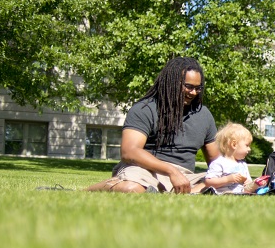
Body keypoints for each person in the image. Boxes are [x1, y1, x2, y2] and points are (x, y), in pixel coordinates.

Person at [86, 57, 219, 193]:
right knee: (132, 188)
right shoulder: (145, 109)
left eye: (198, 88)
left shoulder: (204, 114)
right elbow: (129, 151)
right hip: (145, 171)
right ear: (171, 83)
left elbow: (217, 162)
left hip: (186, 178)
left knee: (228, 184)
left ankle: (184, 192)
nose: (193, 93)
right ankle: (91, 190)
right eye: (188, 87)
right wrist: (171, 171)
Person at [203, 123, 257, 194]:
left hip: (240, 196)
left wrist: (252, 183)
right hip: (222, 196)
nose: (249, 149)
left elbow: (248, 183)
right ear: (234, 144)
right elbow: (208, 182)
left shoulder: (243, 165)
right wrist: (228, 179)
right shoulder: (219, 163)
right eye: (247, 145)